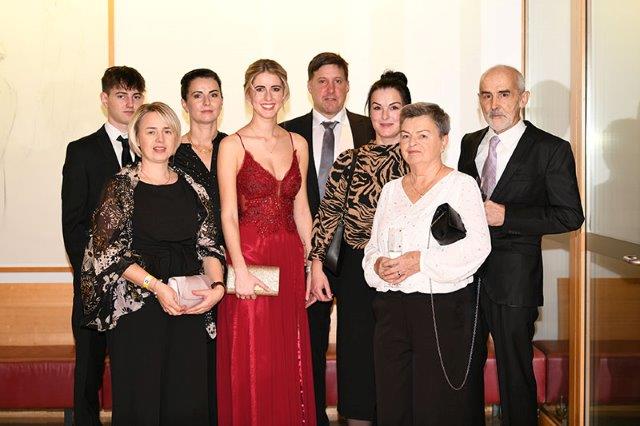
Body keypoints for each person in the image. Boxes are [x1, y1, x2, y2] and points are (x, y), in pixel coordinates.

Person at [81, 102, 226, 425]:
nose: (160, 139)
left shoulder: (194, 186)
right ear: (137, 139)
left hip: (189, 305)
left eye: (167, 131)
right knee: (141, 401)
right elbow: (107, 252)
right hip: (138, 306)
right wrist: (156, 287)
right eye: (151, 131)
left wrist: (217, 288)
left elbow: (209, 246)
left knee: (186, 400)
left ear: (176, 138)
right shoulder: (120, 186)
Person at [458, 65, 584, 426]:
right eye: (486, 95)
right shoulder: (470, 142)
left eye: (504, 94)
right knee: (463, 371)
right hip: (464, 277)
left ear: (523, 98)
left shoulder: (551, 149)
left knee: (515, 376)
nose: (494, 104)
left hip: (515, 282)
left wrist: (507, 216)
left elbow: (569, 216)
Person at [363, 102, 491, 425]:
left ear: (444, 141)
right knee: (393, 403)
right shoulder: (390, 191)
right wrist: (378, 265)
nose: (412, 143)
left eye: (423, 135)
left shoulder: (461, 186)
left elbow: (478, 248)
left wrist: (419, 261)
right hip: (391, 310)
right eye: (406, 136)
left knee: (437, 407)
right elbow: (372, 248)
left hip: (441, 310)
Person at [216, 59, 316, 425]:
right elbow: (228, 214)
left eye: (275, 88)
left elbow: (302, 210)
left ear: (285, 94)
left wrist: (314, 265)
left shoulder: (298, 143)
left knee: (287, 353)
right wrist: (239, 270)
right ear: (248, 94)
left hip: (289, 258)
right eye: (260, 89)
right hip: (250, 257)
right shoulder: (232, 145)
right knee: (254, 355)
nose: (268, 96)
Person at [309, 71, 411, 425]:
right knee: (356, 353)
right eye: (377, 107)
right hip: (356, 269)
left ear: (406, 111)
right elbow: (327, 216)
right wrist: (316, 265)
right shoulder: (349, 160)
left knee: (398, 352)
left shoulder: (419, 159)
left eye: (393, 107)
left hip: (405, 270)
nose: (385, 116)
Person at [281, 52, 375, 425]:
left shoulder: (372, 127)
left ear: (348, 86)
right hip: (306, 253)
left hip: (359, 255)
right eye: (322, 81)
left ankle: (359, 415)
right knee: (309, 342)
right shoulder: (287, 132)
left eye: (338, 81)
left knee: (359, 342)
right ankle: (313, 417)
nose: (330, 89)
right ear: (309, 87)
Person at [61, 65, 145, 425]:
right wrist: (98, 274)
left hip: (140, 283)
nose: (130, 103)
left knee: (135, 370)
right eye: (121, 95)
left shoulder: (154, 148)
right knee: (89, 372)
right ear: (104, 99)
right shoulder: (81, 151)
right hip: (94, 282)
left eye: (136, 96)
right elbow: (73, 223)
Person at [172, 68, 227, 425]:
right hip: (186, 268)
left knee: (226, 361)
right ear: (184, 103)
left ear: (222, 101)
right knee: (189, 363)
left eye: (213, 94)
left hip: (232, 267)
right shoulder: (170, 152)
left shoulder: (235, 146)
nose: (206, 102)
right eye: (197, 95)